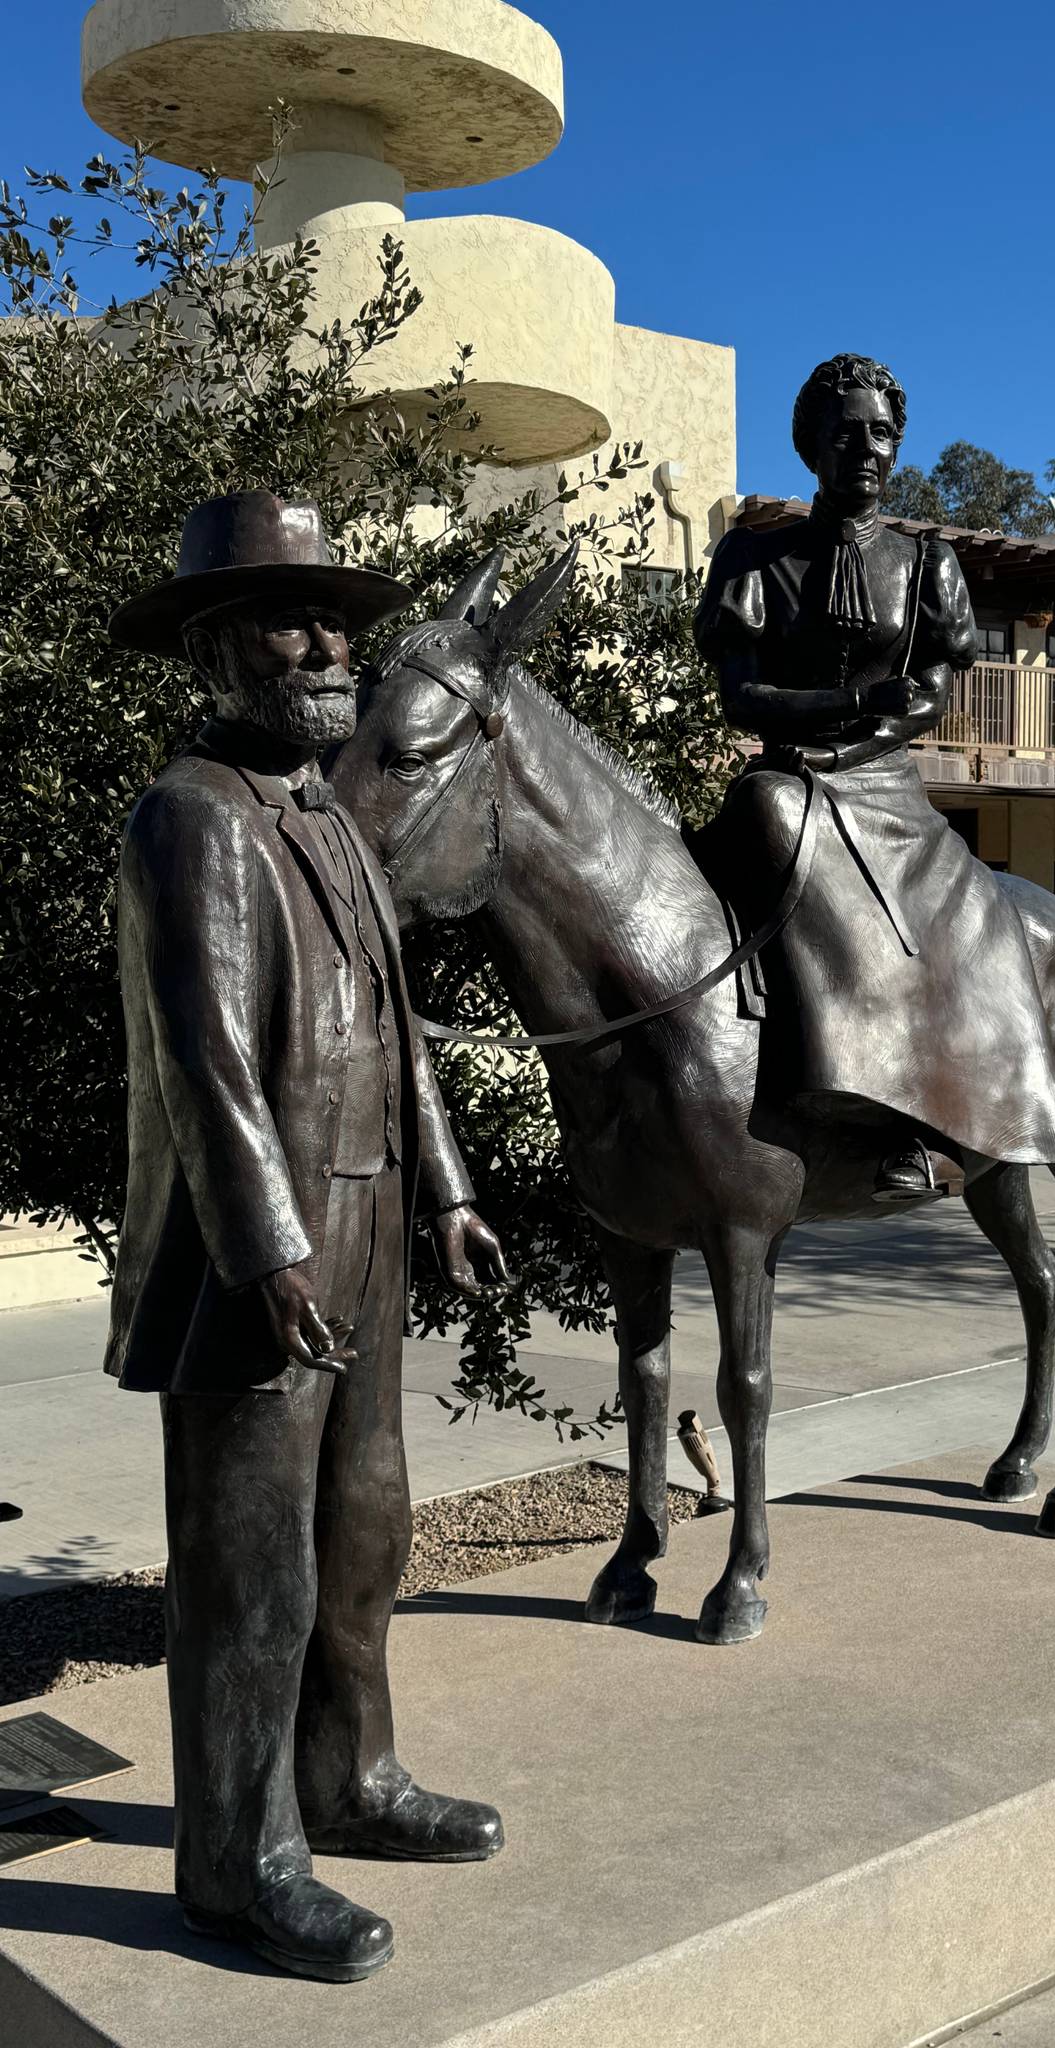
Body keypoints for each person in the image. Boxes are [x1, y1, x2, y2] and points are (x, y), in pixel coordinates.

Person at [107, 491, 511, 1984]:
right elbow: (207, 1063)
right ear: (220, 650)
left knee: (363, 1532)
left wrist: (453, 1187)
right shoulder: (192, 817)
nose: (331, 643)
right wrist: (269, 1248)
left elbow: (400, 1034)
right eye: (290, 617)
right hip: (254, 1253)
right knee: (249, 1572)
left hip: (377, 1220)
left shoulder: (333, 815)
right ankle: (238, 1859)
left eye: (338, 617)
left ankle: (351, 1781)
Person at [694, 355, 1055, 1196]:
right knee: (756, 818)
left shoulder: (926, 563)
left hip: (885, 786)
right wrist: (847, 700)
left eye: (882, 433)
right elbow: (740, 697)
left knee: (948, 923)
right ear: (812, 446)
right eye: (847, 433)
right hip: (786, 776)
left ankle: (908, 1122)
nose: (867, 448)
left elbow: (930, 696)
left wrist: (849, 742)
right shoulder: (754, 559)